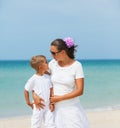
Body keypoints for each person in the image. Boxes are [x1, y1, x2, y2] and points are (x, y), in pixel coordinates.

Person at [33, 37, 90, 128]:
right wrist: (34, 95)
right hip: (55, 110)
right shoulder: (52, 64)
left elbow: (80, 91)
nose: (51, 55)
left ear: (63, 52)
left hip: (71, 109)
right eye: (50, 52)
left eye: (53, 53)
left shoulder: (77, 66)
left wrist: (60, 98)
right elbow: (39, 78)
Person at [24, 55, 56, 128]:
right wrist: (28, 102)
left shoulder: (48, 77)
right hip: (39, 106)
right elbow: (26, 90)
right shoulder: (33, 79)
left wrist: (52, 103)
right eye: (46, 62)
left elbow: (51, 89)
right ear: (40, 67)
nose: (47, 64)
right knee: (36, 124)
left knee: (51, 124)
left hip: (48, 105)